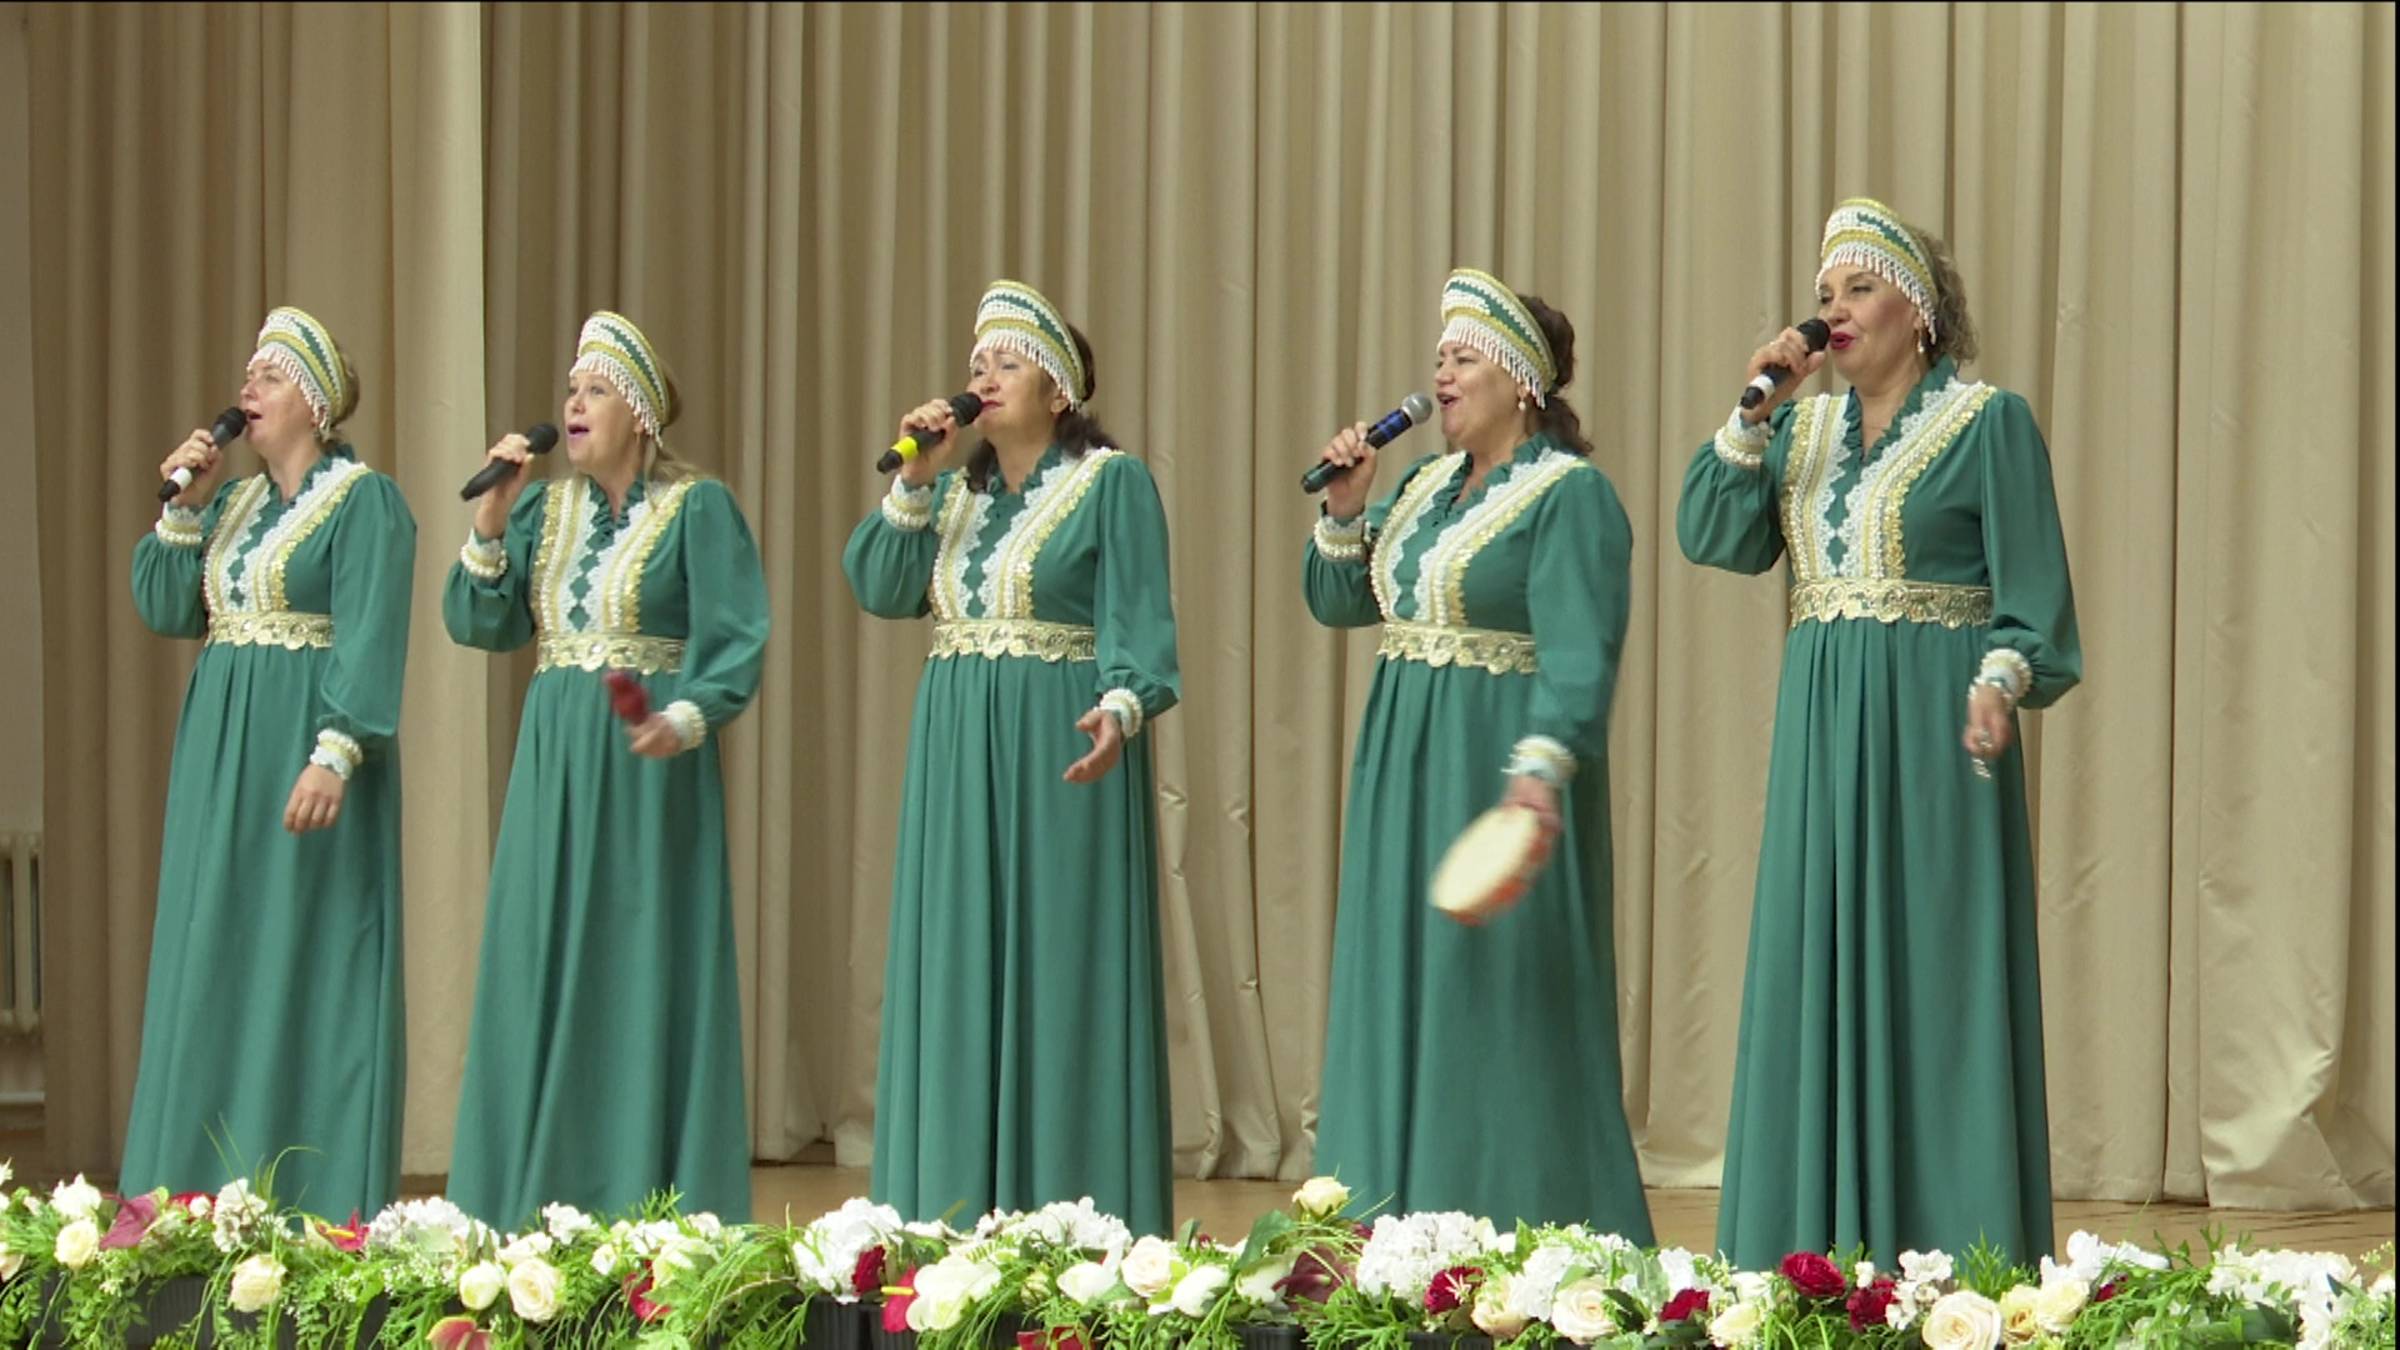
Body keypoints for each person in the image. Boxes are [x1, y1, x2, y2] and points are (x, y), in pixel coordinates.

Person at [1679, 198, 2082, 1267]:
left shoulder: (1987, 423)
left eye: (1859, 289)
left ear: (1922, 311)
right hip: (1821, 742)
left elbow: (2036, 605)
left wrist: (2000, 681)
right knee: (1812, 965)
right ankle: (1807, 1255)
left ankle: (1951, 1251)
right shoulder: (1800, 436)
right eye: (1825, 296)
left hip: (1935, 737)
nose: (1836, 311)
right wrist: (1752, 412)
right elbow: (1711, 535)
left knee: (1935, 977)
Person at [1302, 269, 1652, 1240]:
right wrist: (1345, 511)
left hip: (1496, 770)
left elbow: (1582, 652)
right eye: (1439, 359)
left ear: (1522, 378)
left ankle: (1517, 1230)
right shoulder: (1420, 489)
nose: (1441, 377)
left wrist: (1539, 772)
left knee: (1497, 1000)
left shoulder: (1569, 494)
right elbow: (1339, 603)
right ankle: (1389, 1231)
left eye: (1462, 358)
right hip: (1403, 772)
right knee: (1400, 984)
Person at [845, 280, 1181, 1234]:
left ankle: (1069, 1214)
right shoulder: (953, 497)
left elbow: (1141, 623)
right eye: (975, 364)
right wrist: (913, 480)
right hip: (956, 754)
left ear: (1059, 389)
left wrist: (1120, 707)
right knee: (957, 964)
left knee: (1057, 971)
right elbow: (879, 585)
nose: (982, 377)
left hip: (1057, 749)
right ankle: (949, 1212)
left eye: (1007, 362)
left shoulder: (1109, 482)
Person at [445, 311, 768, 1225]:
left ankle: (634, 1187)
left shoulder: (697, 507)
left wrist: (685, 716)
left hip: (645, 765)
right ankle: (523, 1195)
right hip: (554, 759)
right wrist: (489, 525)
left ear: (640, 413)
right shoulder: (541, 511)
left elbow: (736, 634)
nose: (573, 405)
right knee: (536, 951)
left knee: (638, 960)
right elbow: (480, 624)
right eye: (570, 391)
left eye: (594, 391)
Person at [123, 306, 415, 1220]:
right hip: (223, 763)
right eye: (249, 373)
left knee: (304, 956)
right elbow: (167, 607)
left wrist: (336, 750)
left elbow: (370, 634)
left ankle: (304, 1196)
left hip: (304, 754)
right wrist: (184, 507)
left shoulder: (363, 502)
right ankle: (190, 1191)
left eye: (273, 375)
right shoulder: (234, 507)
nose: (248, 387)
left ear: (317, 404)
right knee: (215, 951)